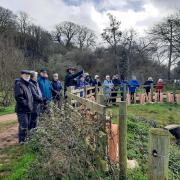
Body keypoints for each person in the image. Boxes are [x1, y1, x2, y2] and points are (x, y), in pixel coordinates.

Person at [14, 70, 33, 144]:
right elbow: (19, 97)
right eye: (26, 75)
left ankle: (25, 139)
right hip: (22, 109)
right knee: (23, 125)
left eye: (29, 75)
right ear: (22, 75)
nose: (28, 76)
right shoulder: (19, 84)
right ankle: (22, 141)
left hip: (28, 109)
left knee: (27, 124)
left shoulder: (27, 84)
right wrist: (27, 105)